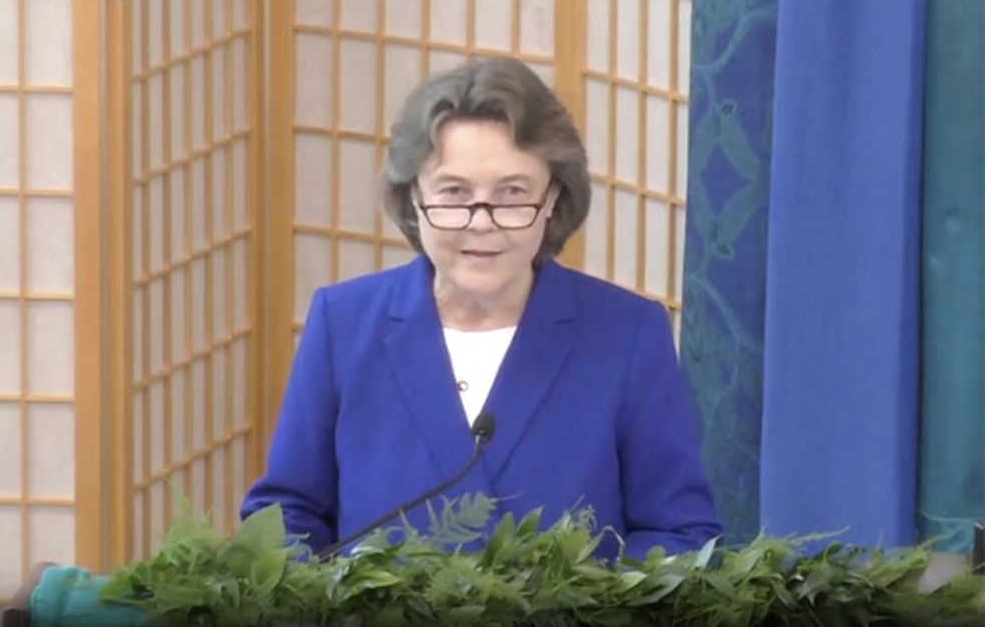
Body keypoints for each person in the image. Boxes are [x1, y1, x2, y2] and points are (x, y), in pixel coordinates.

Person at [240, 56, 722, 562]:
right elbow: (286, 514)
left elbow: (680, 534)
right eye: (454, 193)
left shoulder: (627, 335)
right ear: (413, 199)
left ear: (553, 197)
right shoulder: (343, 324)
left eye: (512, 194)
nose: (481, 222)